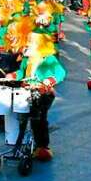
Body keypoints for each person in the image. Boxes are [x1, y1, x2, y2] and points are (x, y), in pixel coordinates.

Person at [14, 32, 66, 162]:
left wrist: (50, 80)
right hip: (26, 91)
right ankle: (21, 142)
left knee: (39, 118)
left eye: (31, 42)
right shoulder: (27, 59)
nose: (27, 44)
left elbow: (60, 71)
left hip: (43, 93)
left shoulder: (48, 58)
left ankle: (42, 146)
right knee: (21, 117)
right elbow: (22, 72)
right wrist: (14, 75)